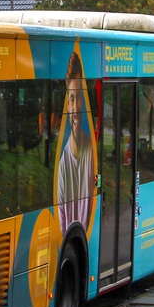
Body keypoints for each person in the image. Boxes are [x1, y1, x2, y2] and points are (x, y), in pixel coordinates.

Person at [56, 51, 95, 236]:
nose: (76, 107)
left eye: (79, 97)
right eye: (72, 98)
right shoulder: (63, 166)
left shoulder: (92, 151)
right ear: (68, 104)